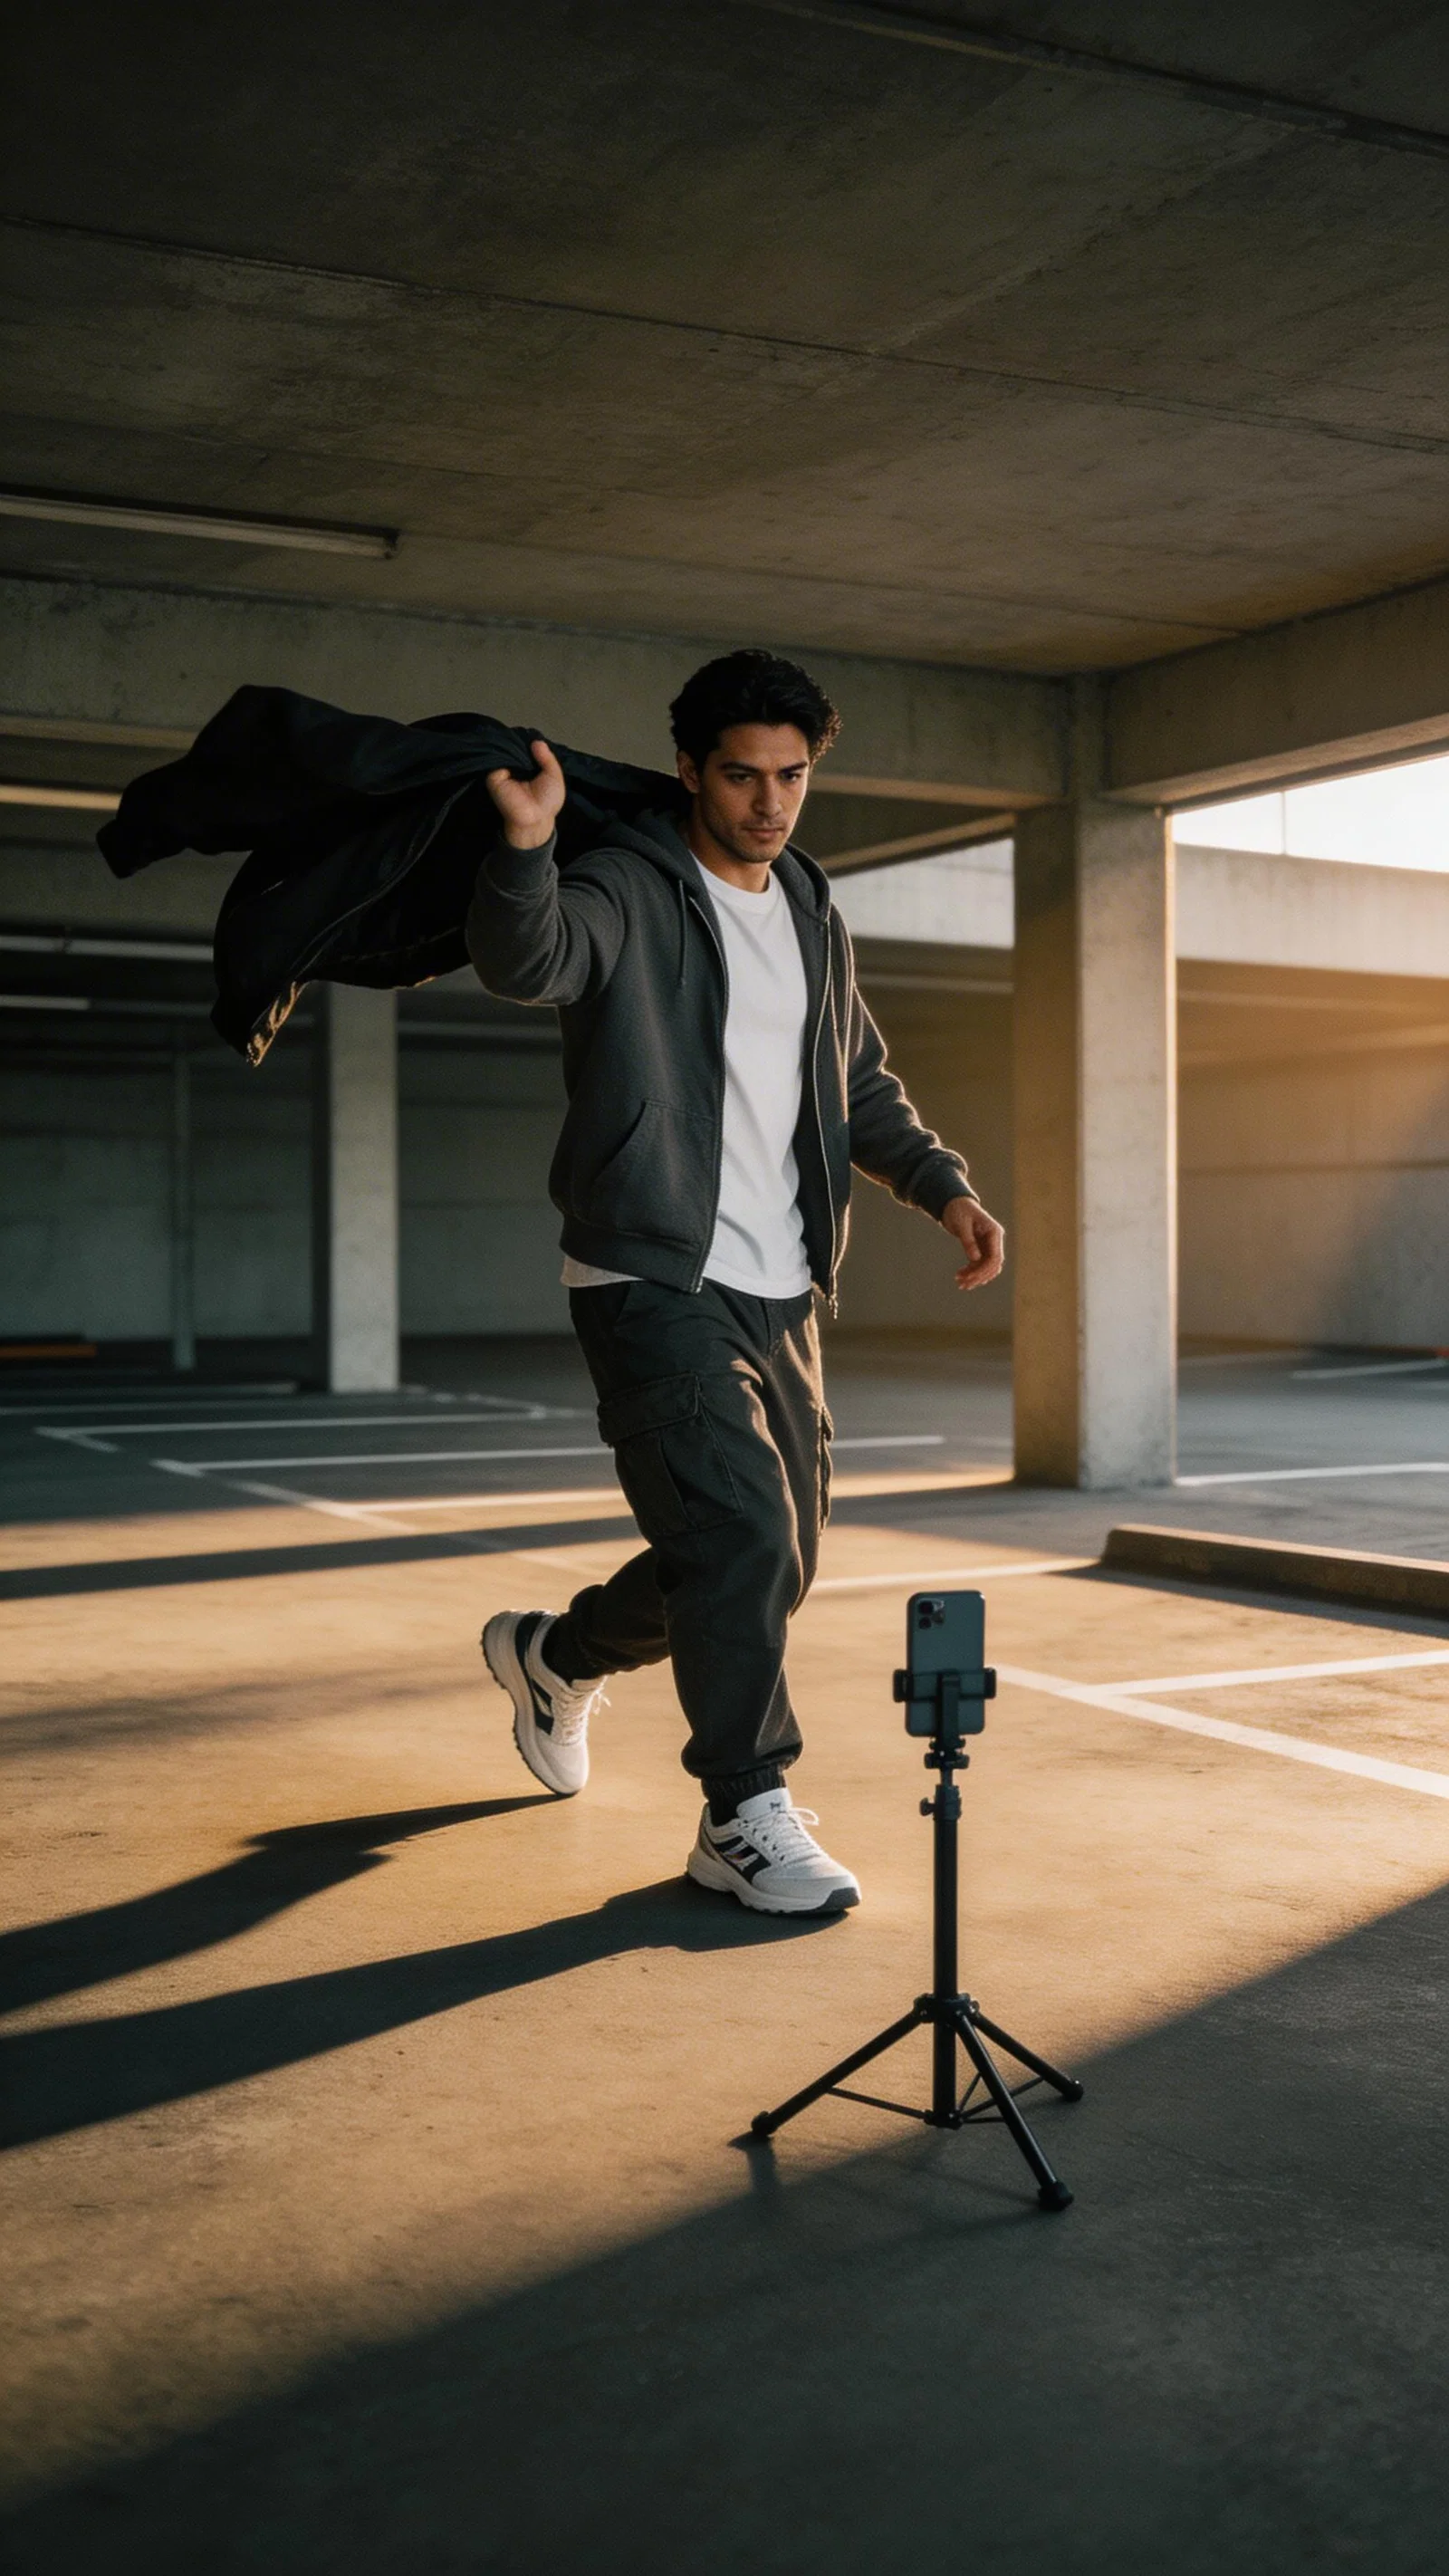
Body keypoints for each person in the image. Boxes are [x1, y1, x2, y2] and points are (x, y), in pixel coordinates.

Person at [468, 650, 1003, 1915]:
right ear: (689, 771)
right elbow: (531, 960)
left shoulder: (813, 903)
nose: (770, 803)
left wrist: (943, 1186)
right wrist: (527, 851)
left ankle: (555, 1656)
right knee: (743, 1536)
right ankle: (741, 1810)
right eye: (743, 776)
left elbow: (855, 1080)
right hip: (648, 1271)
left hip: (782, 1283)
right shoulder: (627, 885)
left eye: (793, 777)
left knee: (769, 1557)